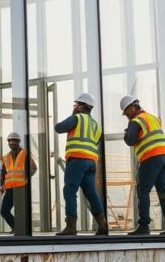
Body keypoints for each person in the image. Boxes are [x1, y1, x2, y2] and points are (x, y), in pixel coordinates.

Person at [119, 95, 165, 235]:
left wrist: (126, 133)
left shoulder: (136, 121)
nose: (127, 115)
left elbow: (131, 141)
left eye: (127, 111)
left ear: (134, 107)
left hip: (151, 157)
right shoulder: (153, 117)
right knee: (163, 191)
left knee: (143, 190)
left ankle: (144, 225)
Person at [53, 92, 109, 236]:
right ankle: (102, 224)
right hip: (91, 162)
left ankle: (71, 226)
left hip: (77, 160)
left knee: (70, 190)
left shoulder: (77, 118)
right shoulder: (95, 125)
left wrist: (72, 114)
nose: (74, 106)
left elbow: (59, 128)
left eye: (76, 104)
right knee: (91, 192)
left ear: (82, 106)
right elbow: (97, 140)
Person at [0, 131, 37, 232]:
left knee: (21, 211)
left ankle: (20, 229)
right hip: (10, 188)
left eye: (14, 141)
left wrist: (26, 176)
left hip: (21, 187)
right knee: (4, 211)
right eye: (10, 141)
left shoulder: (25, 154)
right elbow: (3, 172)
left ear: (18, 142)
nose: (12, 143)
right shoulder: (5, 157)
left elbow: (33, 168)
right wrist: (1, 185)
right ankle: (16, 227)